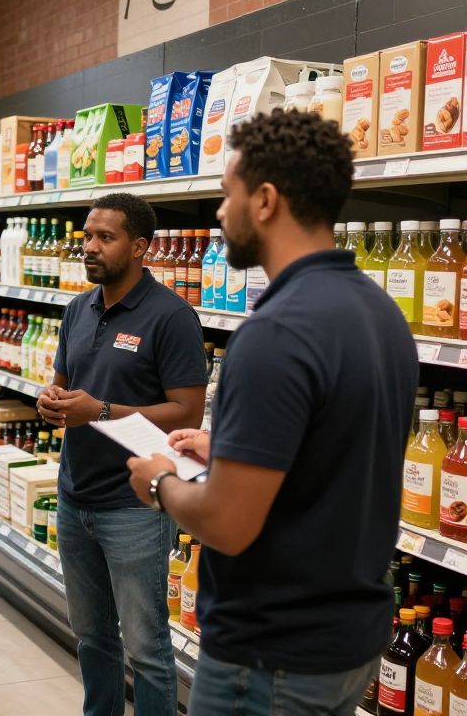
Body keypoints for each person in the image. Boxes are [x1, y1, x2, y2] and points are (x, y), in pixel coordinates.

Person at [127, 110, 419, 715]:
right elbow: (339, 451)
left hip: (272, 656)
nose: (218, 212)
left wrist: (157, 482)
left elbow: (228, 524)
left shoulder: (275, 333)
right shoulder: (379, 311)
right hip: (349, 638)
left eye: (226, 194)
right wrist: (232, 451)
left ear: (264, 200)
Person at [37, 193, 208, 716]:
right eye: (87, 236)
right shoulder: (77, 309)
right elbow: (65, 388)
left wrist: (102, 411)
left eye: (104, 238)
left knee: (146, 647)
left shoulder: (171, 317)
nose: (90, 247)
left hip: (135, 504)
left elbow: (188, 414)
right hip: (74, 496)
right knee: (91, 637)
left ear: (138, 247)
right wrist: (50, 400)